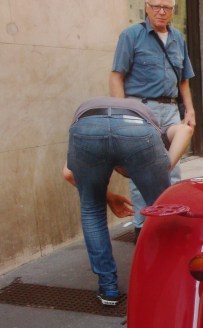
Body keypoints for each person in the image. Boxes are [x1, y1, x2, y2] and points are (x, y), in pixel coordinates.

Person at [63, 98, 193, 306]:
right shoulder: (158, 129)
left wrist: (108, 198)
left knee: (92, 210)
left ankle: (108, 289)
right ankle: (170, 282)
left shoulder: (90, 120)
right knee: (162, 209)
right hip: (136, 130)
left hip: (87, 125)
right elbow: (186, 130)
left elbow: (69, 174)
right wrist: (164, 167)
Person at [109, 0, 196, 240]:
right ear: (146, 7)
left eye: (167, 7)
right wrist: (122, 112)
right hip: (140, 108)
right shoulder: (131, 36)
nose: (161, 11)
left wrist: (189, 111)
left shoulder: (178, 38)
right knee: (141, 171)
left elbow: (184, 81)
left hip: (170, 109)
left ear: (173, 10)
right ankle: (143, 225)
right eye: (156, 6)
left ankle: (170, 219)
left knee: (173, 169)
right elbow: (117, 77)